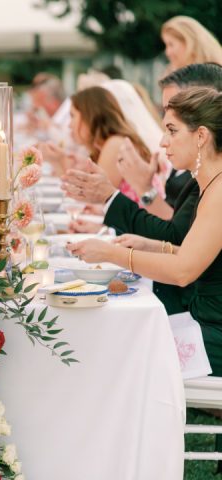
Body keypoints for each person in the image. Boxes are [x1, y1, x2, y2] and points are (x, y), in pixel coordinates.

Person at [68, 87, 222, 374]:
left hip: (213, 335)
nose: (163, 142)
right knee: (112, 334)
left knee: (114, 352)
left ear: (201, 136)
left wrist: (112, 254)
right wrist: (154, 246)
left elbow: (183, 272)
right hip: (203, 321)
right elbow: (198, 257)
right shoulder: (211, 183)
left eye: (172, 131)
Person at [68, 86, 153, 203]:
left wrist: (61, 162)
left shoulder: (115, 144)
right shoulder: (109, 143)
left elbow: (94, 199)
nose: (69, 124)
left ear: (89, 116)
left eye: (72, 116)